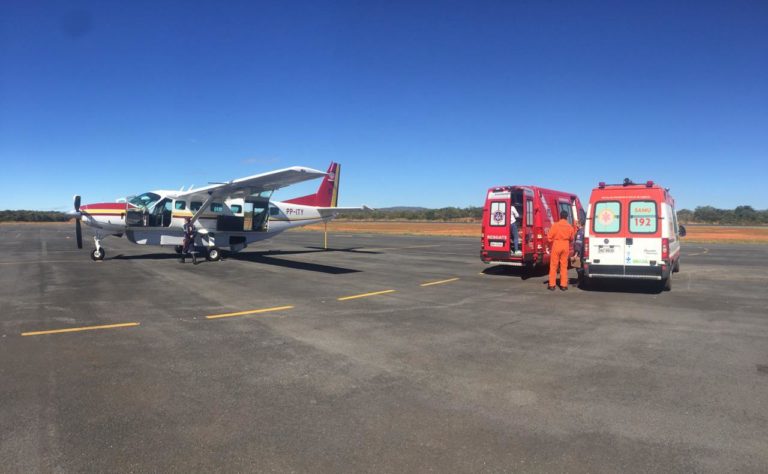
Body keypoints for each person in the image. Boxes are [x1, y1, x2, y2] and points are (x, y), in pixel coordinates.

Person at [547, 210, 574, 291]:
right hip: (565, 245)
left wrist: (549, 244)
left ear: (560, 216)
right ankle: (564, 285)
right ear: (567, 217)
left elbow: (549, 238)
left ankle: (552, 285)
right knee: (564, 266)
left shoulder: (555, 225)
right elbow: (572, 238)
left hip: (556, 245)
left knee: (553, 266)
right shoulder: (570, 226)